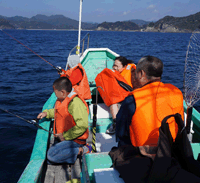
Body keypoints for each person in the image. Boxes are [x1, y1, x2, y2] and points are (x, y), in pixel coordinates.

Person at [116, 55, 184, 147]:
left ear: (141, 74)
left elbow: (120, 133)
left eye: (136, 73)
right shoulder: (176, 92)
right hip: (171, 149)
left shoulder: (132, 99)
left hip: (141, 155)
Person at [37, 77, 89, 164]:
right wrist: (47, 113)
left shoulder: (76, 103)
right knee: (50, 160)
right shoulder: (63, 99)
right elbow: (60, 112)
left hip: (75, 140)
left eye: (55, 92)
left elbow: (82, 126)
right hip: (67, 137)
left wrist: (65, 136)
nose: (55, 94)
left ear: (62, 92)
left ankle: (82, 150)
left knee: (51, 156)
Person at [106, 56, 137, 135]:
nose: (114, 67)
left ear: (124, 66)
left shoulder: (131, 72)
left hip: (130, 97)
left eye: (117, 66)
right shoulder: (114, 73)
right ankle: (115, 123)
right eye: (114, 65)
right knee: (112, 102)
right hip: (120, 96)